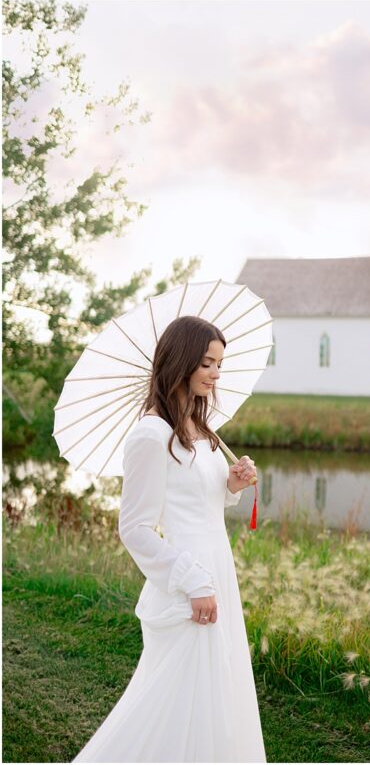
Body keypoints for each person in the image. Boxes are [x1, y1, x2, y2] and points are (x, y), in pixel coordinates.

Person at [74, 315, 266, 762]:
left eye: (219, 363)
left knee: (216, 690)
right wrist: (191, 581)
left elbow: (199, 501)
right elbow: (135, 528)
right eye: (207, 363)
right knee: (174, 695)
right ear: (180, 362)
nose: (216, 374)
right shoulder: (150, 434)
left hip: (218, 569)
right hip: (190, 578)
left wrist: (232, 485)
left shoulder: (201, 429)